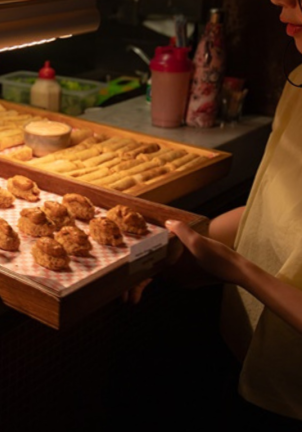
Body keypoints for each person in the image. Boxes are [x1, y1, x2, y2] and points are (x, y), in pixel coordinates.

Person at [133, 0, 302, 428]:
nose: (280, 5)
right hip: (256, 355)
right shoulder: (300, 83)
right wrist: (171, 249)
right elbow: (276, 213)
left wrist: (237, 269)